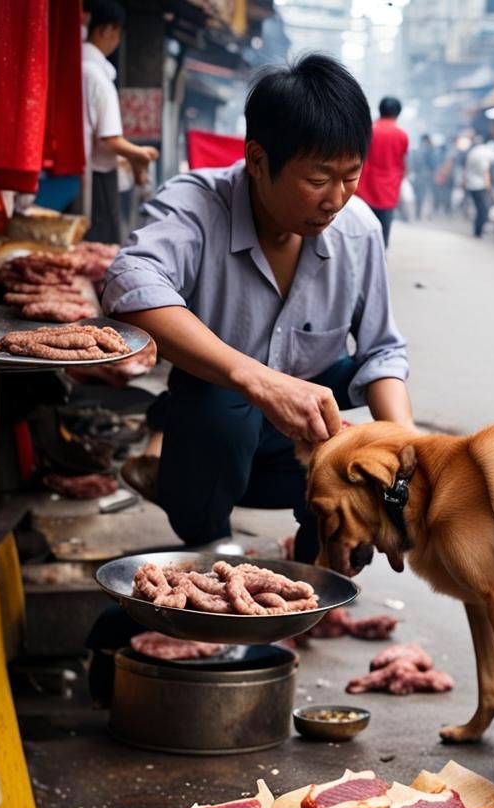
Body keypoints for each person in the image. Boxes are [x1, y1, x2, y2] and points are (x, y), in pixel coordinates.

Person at [100, 54, 413, 564]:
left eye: (350, 177)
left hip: (301, 451)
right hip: (215, 443)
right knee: (221, 403)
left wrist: (406, 455)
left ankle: (315, 580)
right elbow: (128, 284)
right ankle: (201, 530)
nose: (336, 199)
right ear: (258, 159)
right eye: (319, 179)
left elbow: (382, 351)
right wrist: (259, 380)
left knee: (362, 498)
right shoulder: (195, 205)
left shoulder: (360, 230)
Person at [81, 0, 158, 243]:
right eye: (117, 33)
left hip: (77, 169)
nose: (117, 40)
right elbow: (110, 138)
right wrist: (140, 153)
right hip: (98, 173)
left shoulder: (78, 66)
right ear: (106, 29)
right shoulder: (96, 75)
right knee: (100, 247)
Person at [356, 95, 408, 247]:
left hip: (364, 190)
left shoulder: (368, 131)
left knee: (362, 234)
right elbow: (402, 164)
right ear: (398, 113)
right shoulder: (401, 135)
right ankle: (379, 264)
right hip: (388, 191)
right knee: (382, 236)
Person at [464, 130, 494, 238]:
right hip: (480, 186)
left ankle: (478, 230)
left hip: (471, 185)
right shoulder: (486, 153)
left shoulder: (476, 150)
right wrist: (488, 186)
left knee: (479, 209)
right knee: (483, 209)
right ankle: (478, 231)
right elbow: (485, 171)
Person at [410, 133, 436, 219]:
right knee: (428, 195)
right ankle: (428, 214)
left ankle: (418, 213)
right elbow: (433, 164)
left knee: (418, 196)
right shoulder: (430, 150)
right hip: (427, 175)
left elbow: (412, 163)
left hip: (417, 176)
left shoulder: (416, 150)